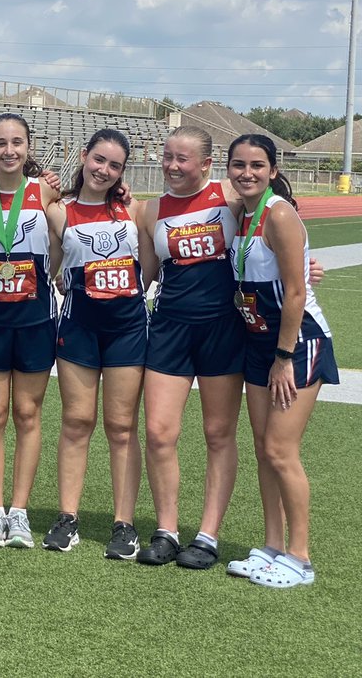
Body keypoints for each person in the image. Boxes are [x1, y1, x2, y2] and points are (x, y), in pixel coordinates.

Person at [225, 134, 337, 588]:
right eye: (238, 165)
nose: (247, 173)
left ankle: (300, 557)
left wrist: (284, 357)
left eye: (257, 165)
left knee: (279, 450)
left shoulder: (280, 214)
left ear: (273, 170)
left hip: (296, 342)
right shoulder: (240, 213)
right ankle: (272, 546)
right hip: (257, 339)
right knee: (262, 447)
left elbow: (295, 293)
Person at [42, 129, 154, 558]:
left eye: (114, 165)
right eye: (99, 160)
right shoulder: (58, 211)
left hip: (127, 329)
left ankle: (124, 524)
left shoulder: (135, 210)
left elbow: (150, 268)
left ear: (123, 172)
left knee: (121, 427)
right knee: (76, 422)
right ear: (85, 156)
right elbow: (51, 268)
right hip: (79, 329)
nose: (104, 170)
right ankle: (67, 518)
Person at [135, 126, 243, 569]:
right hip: (170, 330)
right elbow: (145, 277)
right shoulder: (150, 211)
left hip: (223, 329)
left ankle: (207, 536)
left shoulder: (231, 197)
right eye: (167, 157)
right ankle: (166, 530)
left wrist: (305, 264)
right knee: (160, 433)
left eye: (182, 159)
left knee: (218, 434)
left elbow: (275, 229)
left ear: (206, 164)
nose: (172, 166)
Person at [0, 113, 60, 549]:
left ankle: (19, 512)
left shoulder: (46, 191)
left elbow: (66, 239)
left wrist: (52, 274)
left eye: (17, 142)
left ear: (28, 147)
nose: (9, 150)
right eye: (0, 143)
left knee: (27, 413)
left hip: (36, 319)